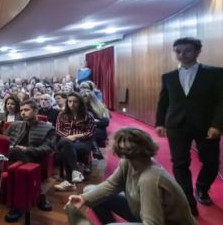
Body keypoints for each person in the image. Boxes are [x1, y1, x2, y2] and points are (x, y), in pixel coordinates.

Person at [67, 128, 197, 225]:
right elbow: (112, 185)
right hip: (142, 210)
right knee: (89, 191)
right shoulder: (128, 162)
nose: (125, 147)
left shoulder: (150, 177)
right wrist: (84, 199)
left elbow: (153, 223)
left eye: (131, 144)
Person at [155, 37, 223, 216]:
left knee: (211, 162)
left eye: (187, 51)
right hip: (177, 125)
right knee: (180, 163)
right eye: (178, 51)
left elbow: (221, 102)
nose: (182, 55)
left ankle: (202, 188)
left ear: (197, 52)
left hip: (207, 127)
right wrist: (160, 122)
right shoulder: (168, 77)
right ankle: (187, 199)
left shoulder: (215, 73)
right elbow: (164, 102)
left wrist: (217, 125)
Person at [4, 99, 55, 222]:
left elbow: (48, 148)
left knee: (17, 154)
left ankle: (19, 206)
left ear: (35, 111)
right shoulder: (15, 125)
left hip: (33, 158)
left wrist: (27, 149)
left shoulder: (48, 128)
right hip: (11, 156)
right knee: (12, 152)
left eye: (26, 110)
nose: (23, 113)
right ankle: (39, 193)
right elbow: (4, 141)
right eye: (21, 110)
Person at [54, 93, 96, 191]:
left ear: (80, 103)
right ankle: (76, 171)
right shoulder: (62, 114)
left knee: (65, 151)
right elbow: (58, 130)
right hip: (64, 140)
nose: (72, 104)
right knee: (66, 143)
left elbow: (91, 132)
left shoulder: (88, 115)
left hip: (82, 142)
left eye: (75, 101)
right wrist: (68, 137)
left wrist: (76, 136)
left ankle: (69, 182)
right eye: (70, 101)